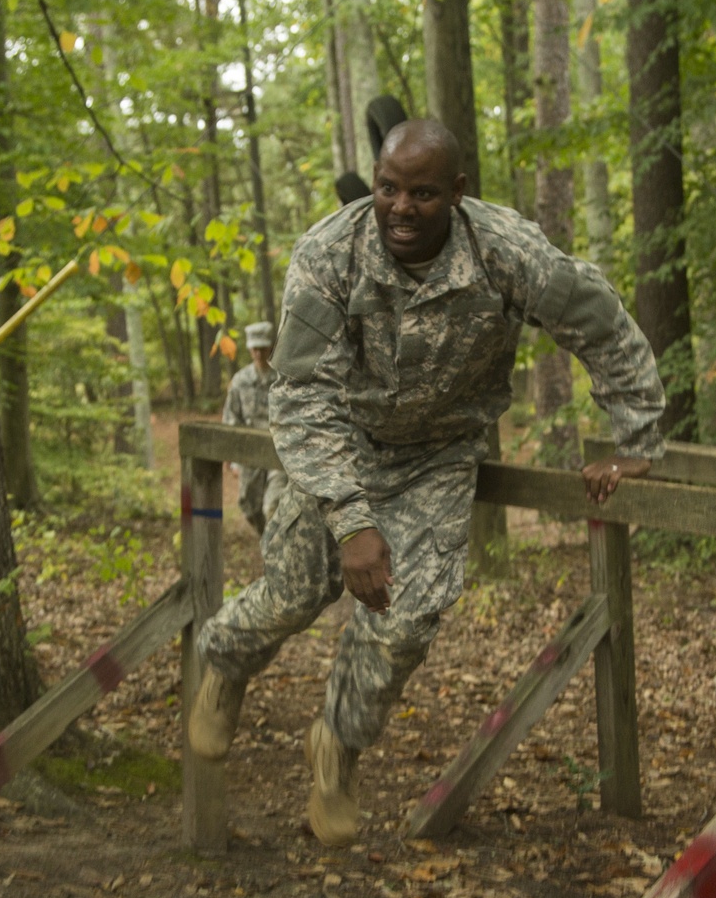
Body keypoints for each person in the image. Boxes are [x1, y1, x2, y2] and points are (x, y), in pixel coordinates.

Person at [189, 119, 665, 848]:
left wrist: (636, 438)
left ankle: (337, 746)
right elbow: (300, 397)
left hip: (437, 454)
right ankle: (224, 662)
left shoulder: (505, 253)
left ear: (457, 194)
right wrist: (351, 520)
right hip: (336, 442)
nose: (400, 207)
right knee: (292, 592)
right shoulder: (329, 253)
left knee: (406, 618)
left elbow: (596, 318)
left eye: (421, 192)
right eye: (386, 188)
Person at [222, 321, 288, 537]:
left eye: (263, 347)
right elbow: (231, 419)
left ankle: (274, 548)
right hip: (249, 454)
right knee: (249, 505)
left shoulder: (282, 379)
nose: (259, 353)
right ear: (250, 349)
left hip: (277, 454)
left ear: (271, 346)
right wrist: (232, 459)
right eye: (255, 348)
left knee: (273, 504)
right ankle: (267, 540)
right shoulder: (241, 381)